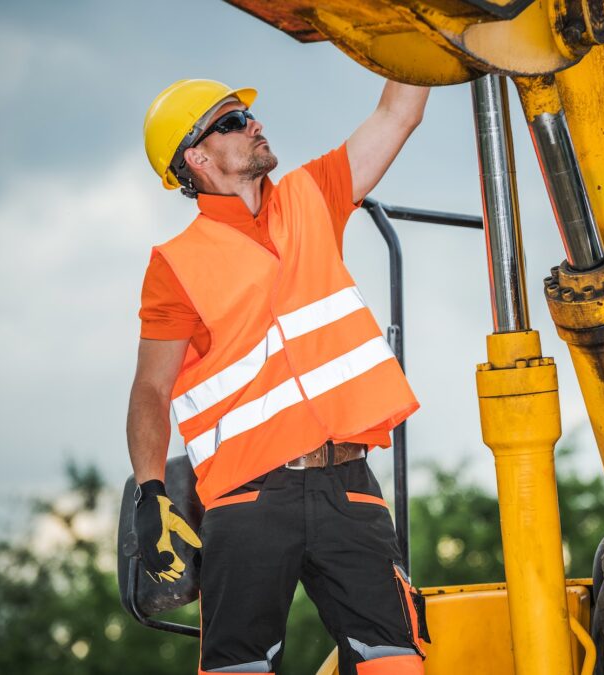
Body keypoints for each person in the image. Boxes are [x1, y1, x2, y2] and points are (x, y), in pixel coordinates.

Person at [129, 78, 430, 675]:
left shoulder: (311, 196)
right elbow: (150, 390)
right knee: (239, 669)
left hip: (348, 480)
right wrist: (150, 491)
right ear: (198, 157)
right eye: (233, 121)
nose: (254, 123)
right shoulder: (176, 265)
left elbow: (400, 111)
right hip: (248, 499)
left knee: (394, 662)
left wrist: (423, 27)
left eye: (249, 115)